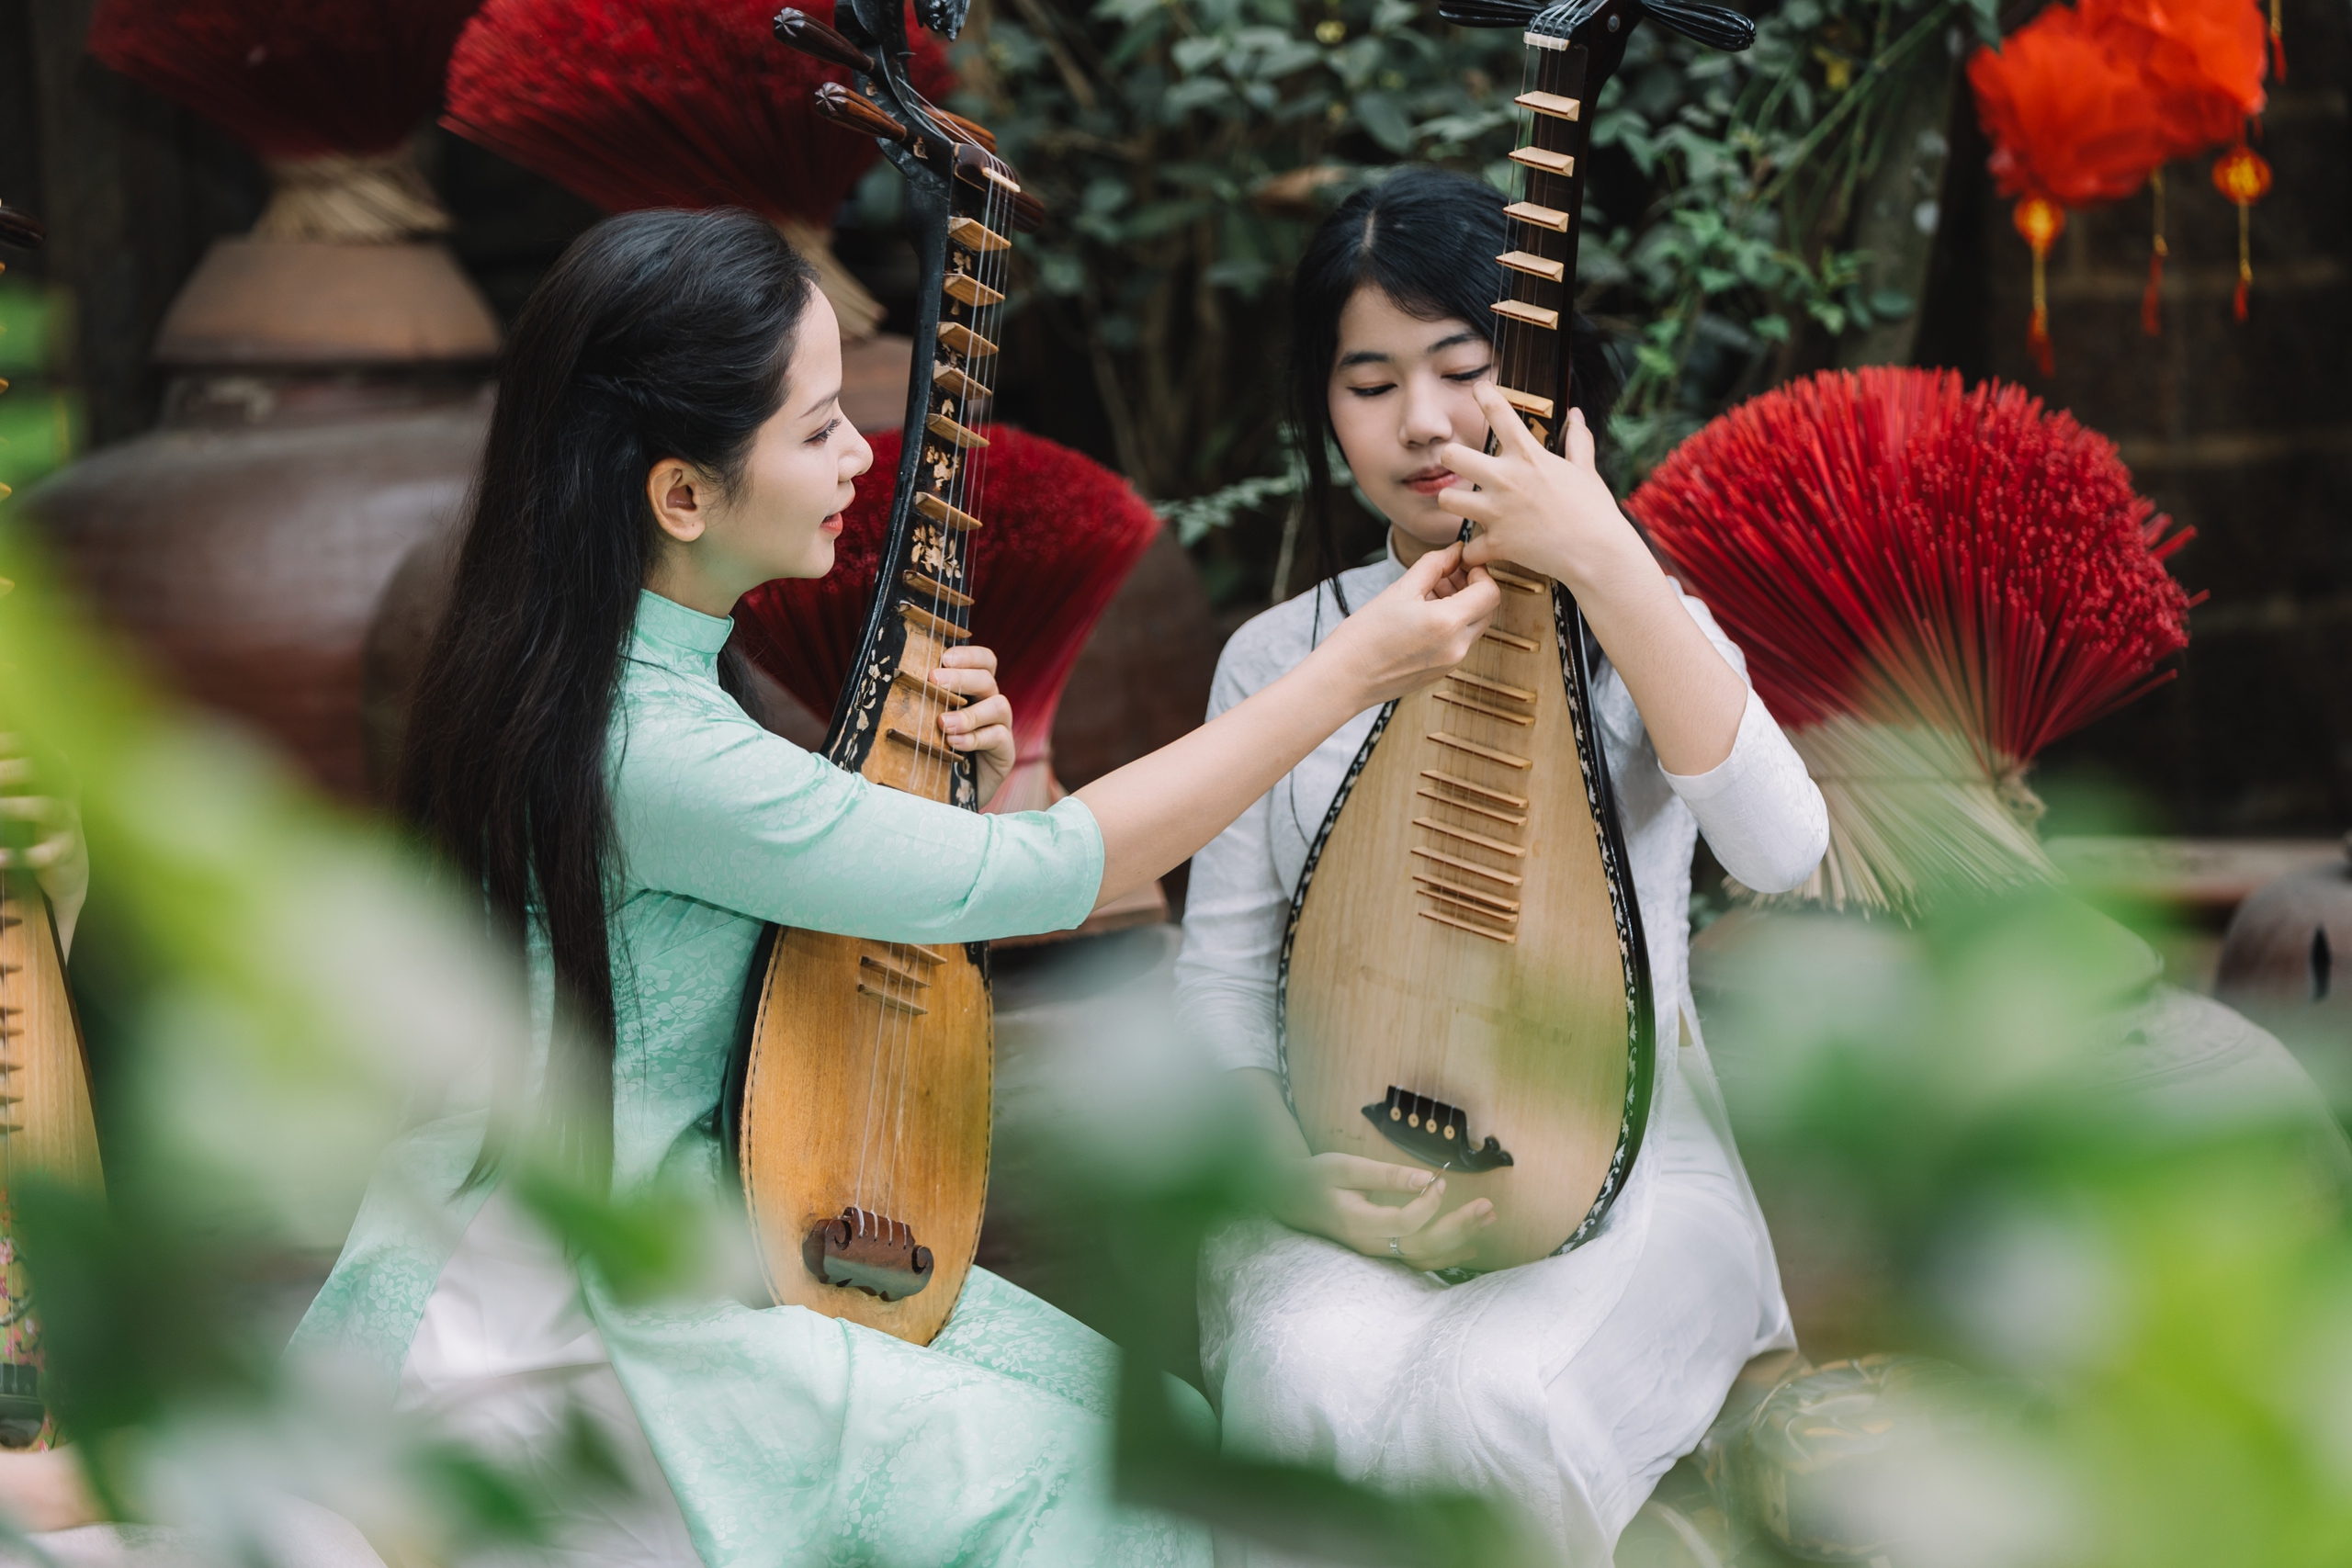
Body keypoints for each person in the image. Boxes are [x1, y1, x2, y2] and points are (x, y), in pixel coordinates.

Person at [289, 209, 1501, 1568]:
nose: (860, 457)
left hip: (723, 1234)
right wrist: (1353, 670)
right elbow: (1048, 876)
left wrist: (951, 786)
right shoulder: (653, 744)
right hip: (573, 1311)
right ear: (682, 498)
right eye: (817, 429)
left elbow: (795, 888)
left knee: (1157, 1428)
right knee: (1112, 1488)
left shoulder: (620, 671)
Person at [1172, 167, 1831, 1559]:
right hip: (1341, 1175)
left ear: (1542, 382)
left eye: (1463, 369)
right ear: (1323, 407)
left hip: (1627, 1187)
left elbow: (1783, 850)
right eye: (1369, 382)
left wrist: (1607, 561)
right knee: (1309, 1381)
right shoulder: (1276, 660)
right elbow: (1220, 987)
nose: (1421, 421)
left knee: (1491, 1402)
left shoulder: (1637, 629)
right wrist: (1284, 1176)